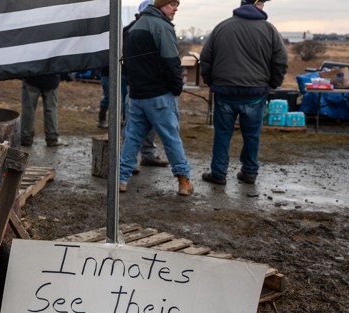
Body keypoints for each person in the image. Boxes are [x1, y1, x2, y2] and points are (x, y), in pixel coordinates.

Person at [199, 0, 287, 185]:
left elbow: (206, 58)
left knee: (222, 134)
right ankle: (249, 172)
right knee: (252, 135)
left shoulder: (221, 27)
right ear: (256, 4)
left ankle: (218, 173)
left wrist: (211, 81)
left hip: (225, 92)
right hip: (255, 93)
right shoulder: (269, 30)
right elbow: (280, 61)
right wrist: (272, 84)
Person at [119, 0, 192, 195]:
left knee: (131, 139)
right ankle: (184, 181)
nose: (176, 8)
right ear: (163, 5)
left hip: (136, 94)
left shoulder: (132, 28)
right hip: (159, 95)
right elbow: (171, 61)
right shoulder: (162, 26)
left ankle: (121, 179)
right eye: (173, 5)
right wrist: (177, 87)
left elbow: (126, 63)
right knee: (171, 138)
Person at [98, 0, 169, 170]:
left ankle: (147, 154)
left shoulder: (156, 28)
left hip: (150, 84)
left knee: (148, 121)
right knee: (131, 120)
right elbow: (122, 57)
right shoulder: (131, 30)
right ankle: (128, 159)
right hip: (136, 83)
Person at [20, 74, 65, 147]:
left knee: (28, 109)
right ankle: (52, 138)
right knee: (51, 110)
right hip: (51, 78)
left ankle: (26, 138)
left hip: (31, 77)